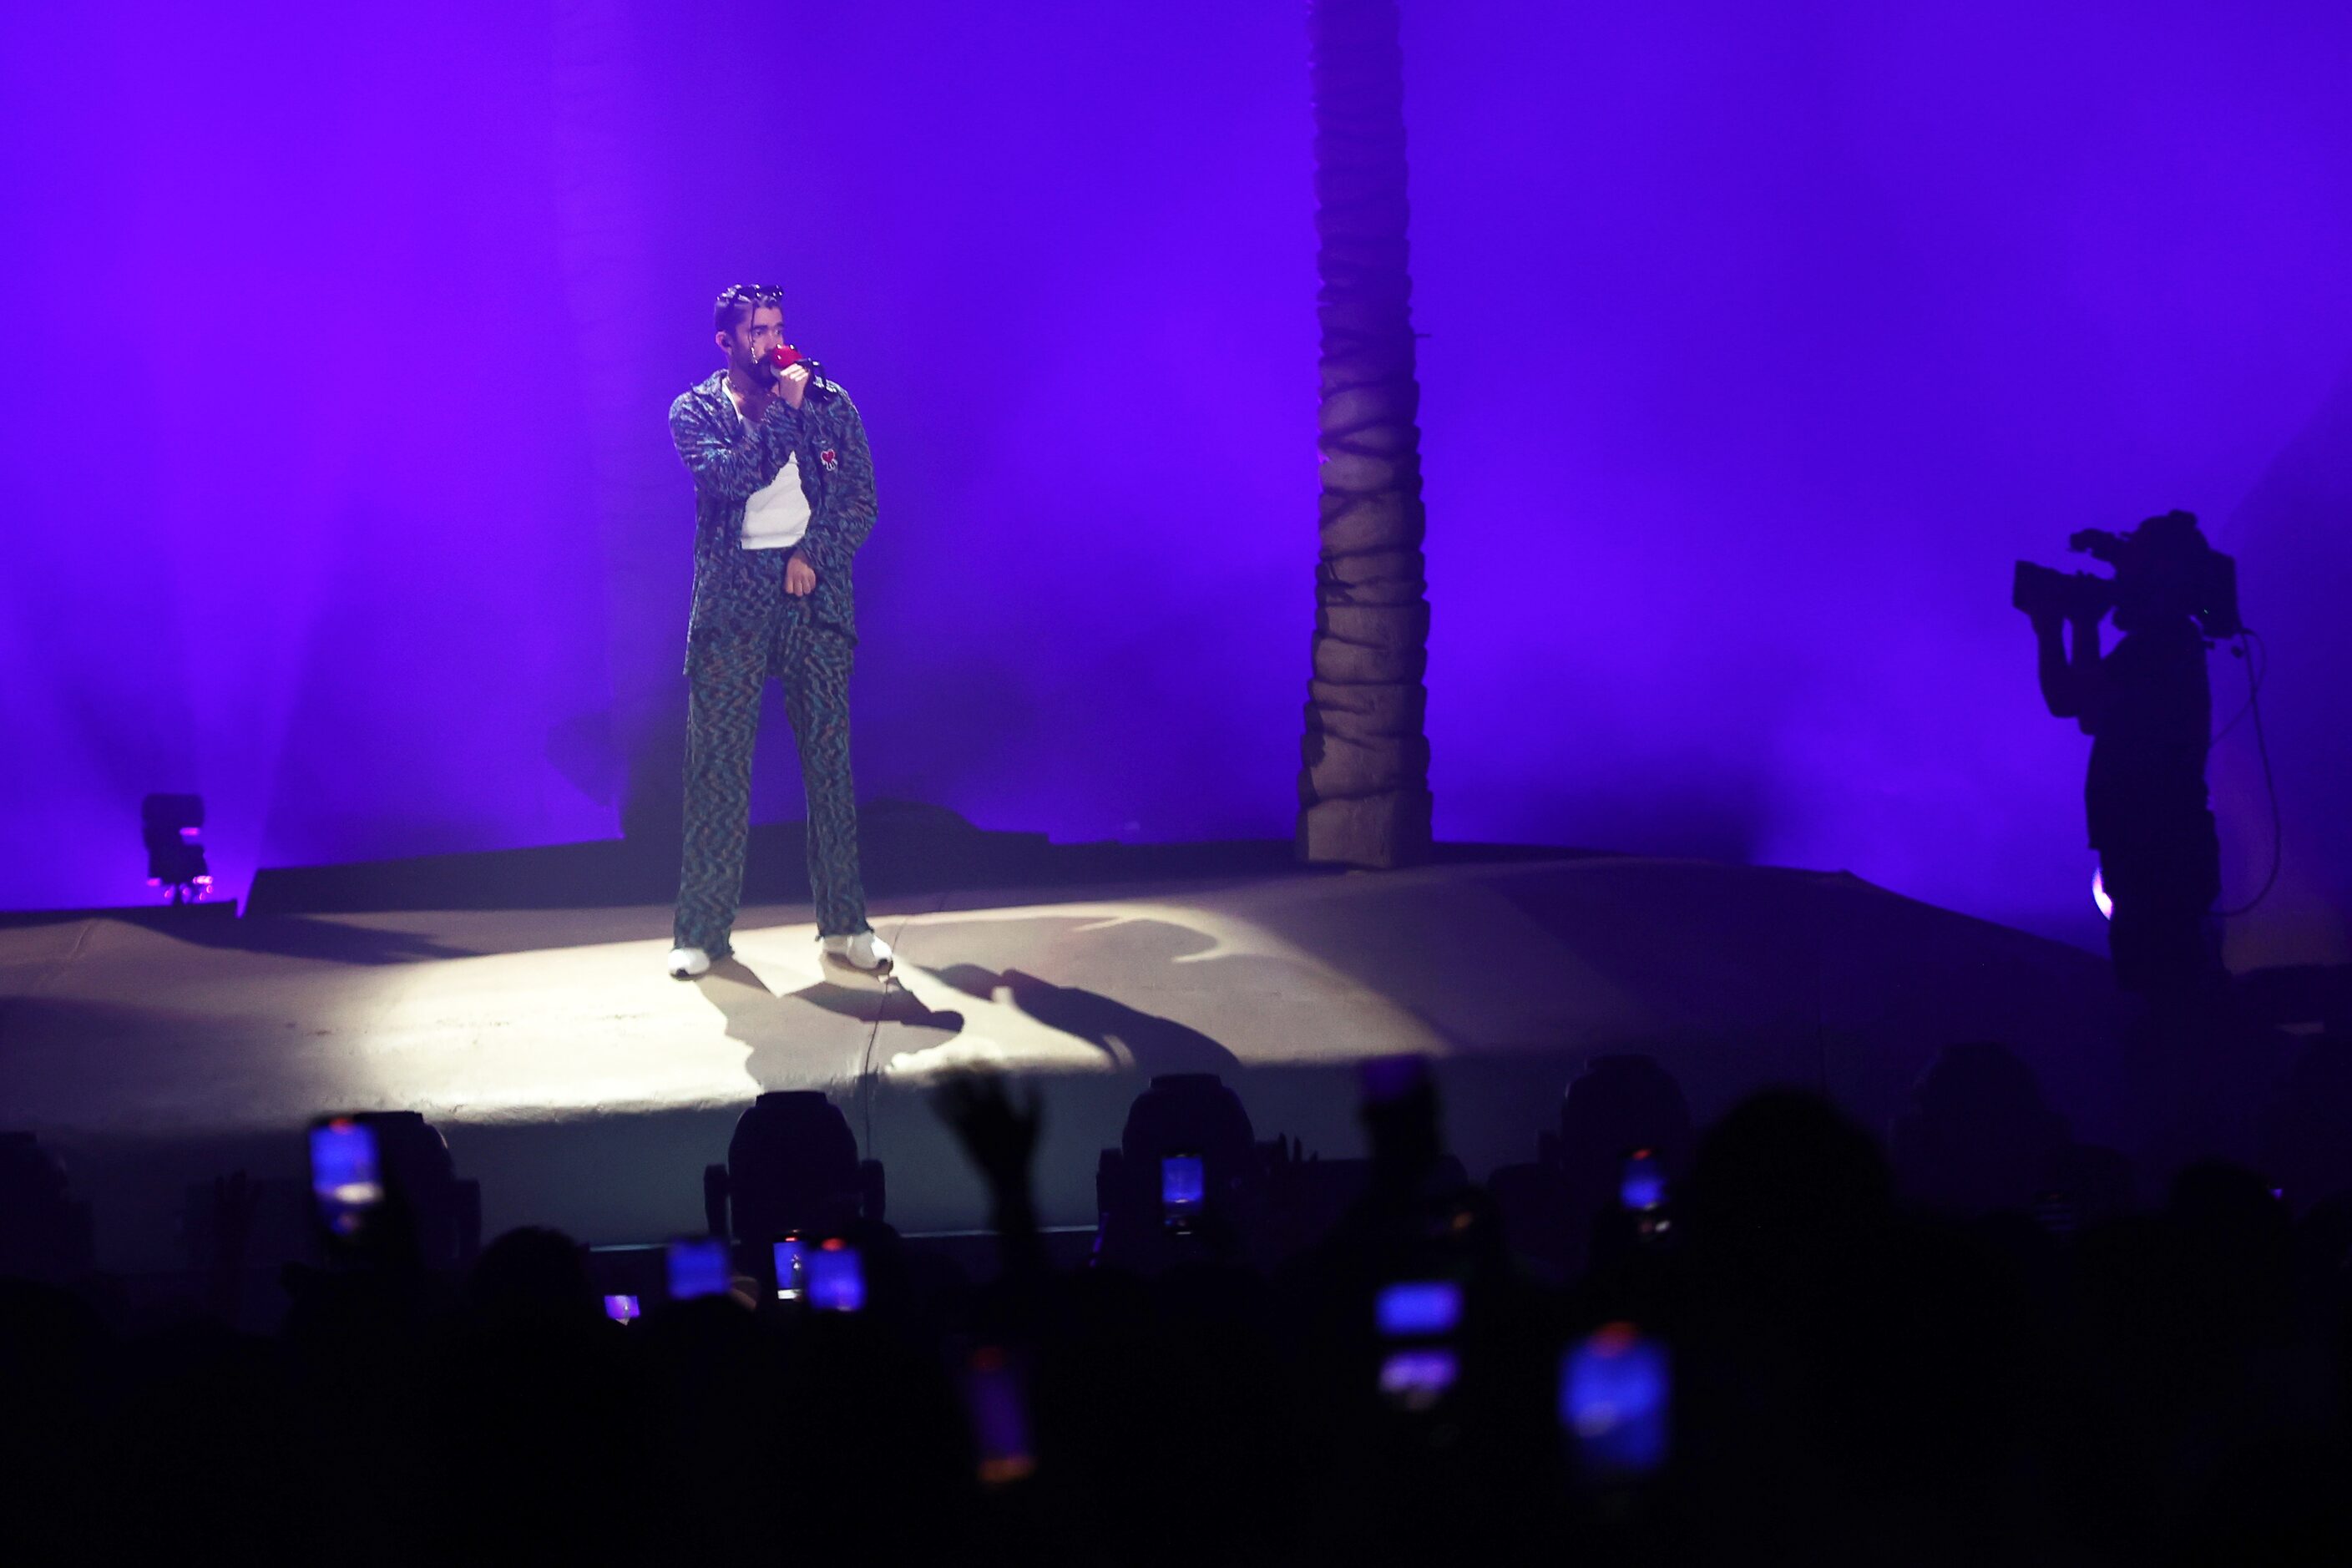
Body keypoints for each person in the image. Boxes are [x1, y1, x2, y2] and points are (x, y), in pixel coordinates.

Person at [664, 284, 890, 979]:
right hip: (735, 603)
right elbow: (731, 479)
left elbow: (859, 499)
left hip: (810, 596)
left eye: (778, 326)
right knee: (719, 770)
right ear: (727, 342)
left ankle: (845, 926)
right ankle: (702, 934)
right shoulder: (696, 410)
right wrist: (783, 419)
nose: (772, 340)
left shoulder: (829, 401)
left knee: (828, 764)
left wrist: (810, 557)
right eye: (756, 331)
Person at [2031, 510, 2223, 998]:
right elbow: (2082, 709)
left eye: (2127, 575)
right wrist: (2066, 626)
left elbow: (2077, 705)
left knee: (2160, 989)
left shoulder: (2162, 645)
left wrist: (2063, 625)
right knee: (2163, 982)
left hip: (2154, 848)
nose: (2117, 585)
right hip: (2154, 846)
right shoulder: (2164, 643)